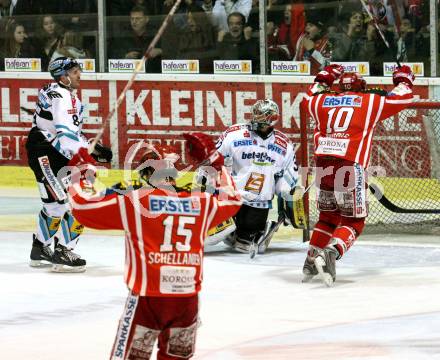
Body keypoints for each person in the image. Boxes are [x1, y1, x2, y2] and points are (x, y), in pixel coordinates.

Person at [68, 144, 242, 360]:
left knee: (131, 357)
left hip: (148, 299)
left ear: (145, 175)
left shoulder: (136, 201)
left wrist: (80, 174)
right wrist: (216, 165)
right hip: (187, 302)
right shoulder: (199, 201)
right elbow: (234, 198)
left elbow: (83, 207)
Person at [301, 64, 415, 286]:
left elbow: (309, 94)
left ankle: (310, 261)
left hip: (323, 165)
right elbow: (404, 97)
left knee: (327, 217)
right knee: (354, 221)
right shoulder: (369, 101)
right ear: (361, 88)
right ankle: (332, 252)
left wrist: (325, 76)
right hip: (350, 165)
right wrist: (404, 79)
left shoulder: (321, 100)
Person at [26, 57, 112, 272]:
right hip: (48, 153)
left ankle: (41, 247)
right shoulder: (64, 97)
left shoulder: (57, 91)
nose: (79, 74)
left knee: (55, 205)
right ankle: (64, 250)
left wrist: (91, 145)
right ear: (63, 77)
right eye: (74, 71)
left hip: (46, 150)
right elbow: (65, 134)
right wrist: (84, 155)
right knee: (79, 200)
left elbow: (67, 132)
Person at [210, 98, 299, 253]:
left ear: (272, 118)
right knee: (215, 236)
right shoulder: (234, 134)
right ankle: (234, 232)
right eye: (256, 114)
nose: (257, 118)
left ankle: (256, 231)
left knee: (243, 246)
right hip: (231, 197)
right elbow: (213, 159)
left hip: (258, 201)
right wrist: (208, 186)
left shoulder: (284, 144)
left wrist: (286, 194)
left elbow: (286, 176)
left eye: (262, 115)